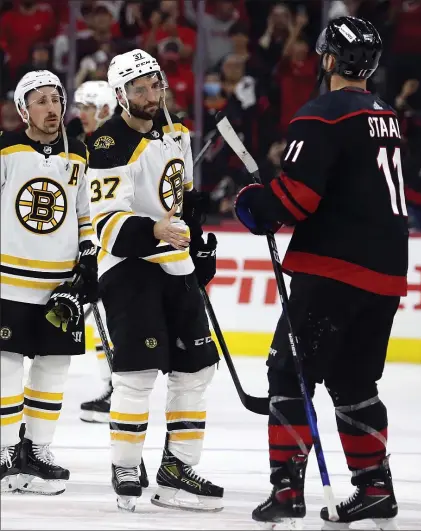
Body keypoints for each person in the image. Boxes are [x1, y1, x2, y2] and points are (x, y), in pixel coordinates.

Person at [234, 16, 408, 529]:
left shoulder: (323, 113)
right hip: (387, 274)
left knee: (290, 371)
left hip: (334, 270)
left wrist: (254, 204)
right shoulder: (387, 115)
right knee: (355, 380)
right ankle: (375, 488)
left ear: (329, 59)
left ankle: (286, 491)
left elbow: (297, 199)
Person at [86, 49, 222, 512]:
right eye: (139, 88)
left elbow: (180, 195)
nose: (150, 94)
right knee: (137, 373)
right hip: (129, 265)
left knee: (197, 368)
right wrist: (152, 230)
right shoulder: (107, 144)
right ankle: (126, 465)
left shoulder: (176, 129)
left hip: (174, 260)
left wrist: (197, 237)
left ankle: (177, 470)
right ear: (120, 94)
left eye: (154, 85)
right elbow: (103, 220)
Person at [0, 70, 98, 495]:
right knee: (4, 369)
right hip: (8, 281)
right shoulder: (5, 149)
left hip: (59, 285)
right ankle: (4, 451)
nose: (51, 108)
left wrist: (90, 252)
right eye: (39, 100)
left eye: (55, 99)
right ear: (23, 109)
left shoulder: (77, 153)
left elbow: (83, 211)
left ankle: (37, 451)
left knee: (53, 370)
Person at [67, 80, 118, 423]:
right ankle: (113, 389)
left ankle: (119, 390)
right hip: (89, 246)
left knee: (111, 323)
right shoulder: (80, 145)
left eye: (88, 107)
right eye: (80, 106)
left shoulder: (116, 145)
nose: (80, 113)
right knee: (102, 325)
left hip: (114, 247)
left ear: (105, 109)